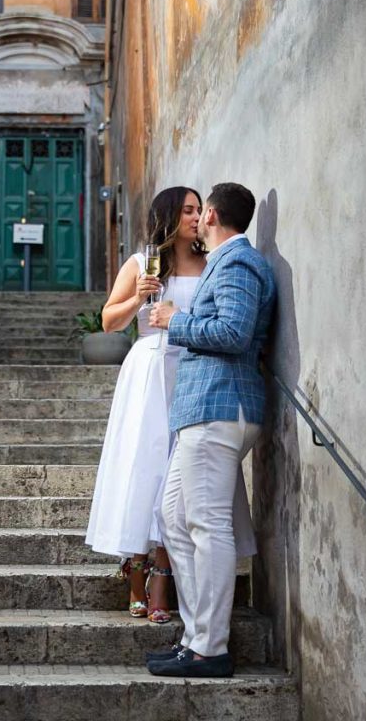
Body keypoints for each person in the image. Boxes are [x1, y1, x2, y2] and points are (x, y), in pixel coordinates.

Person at [86, 187, 256, 622]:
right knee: (146, 467)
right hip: (148, 369)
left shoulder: (209, 262)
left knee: (175, 474)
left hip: (194, 371)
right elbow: (109, 321)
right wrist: (140, 296)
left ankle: (164, 578)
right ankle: (137, 574)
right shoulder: (142, 262)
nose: (196, 217)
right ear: (168, 214)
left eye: (200, 210)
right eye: (187, 210)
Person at [146, 182, 276, 678]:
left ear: (214, 215)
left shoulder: (237, 261)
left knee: (206, 524)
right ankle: (195, 637)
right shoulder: (229, 262)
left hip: (221, 407)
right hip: (201, 411)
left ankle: (211, 648)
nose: (196, 219)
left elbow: (232, 333)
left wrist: (175, 321)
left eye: (203, 212)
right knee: (173, 518)